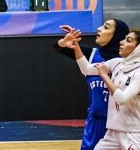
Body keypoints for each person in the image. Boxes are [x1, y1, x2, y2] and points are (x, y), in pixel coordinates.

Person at [54, 20, 130, 150]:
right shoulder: (92, 55)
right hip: (96, 121)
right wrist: (64, 42)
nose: (99, 28)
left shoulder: (129, 62)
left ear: (118, 35)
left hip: (122, 121)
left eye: (106, 27)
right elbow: (58, 47)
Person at [74, 31, 140, 150]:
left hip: (135, 133)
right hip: (113, 131)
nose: (121, 42)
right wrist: (75, 45)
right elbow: (86, 69)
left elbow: (122, 99)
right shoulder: (116, 63)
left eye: (128, 40)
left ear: (139, 48)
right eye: (124, 38)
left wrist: (104, 76)